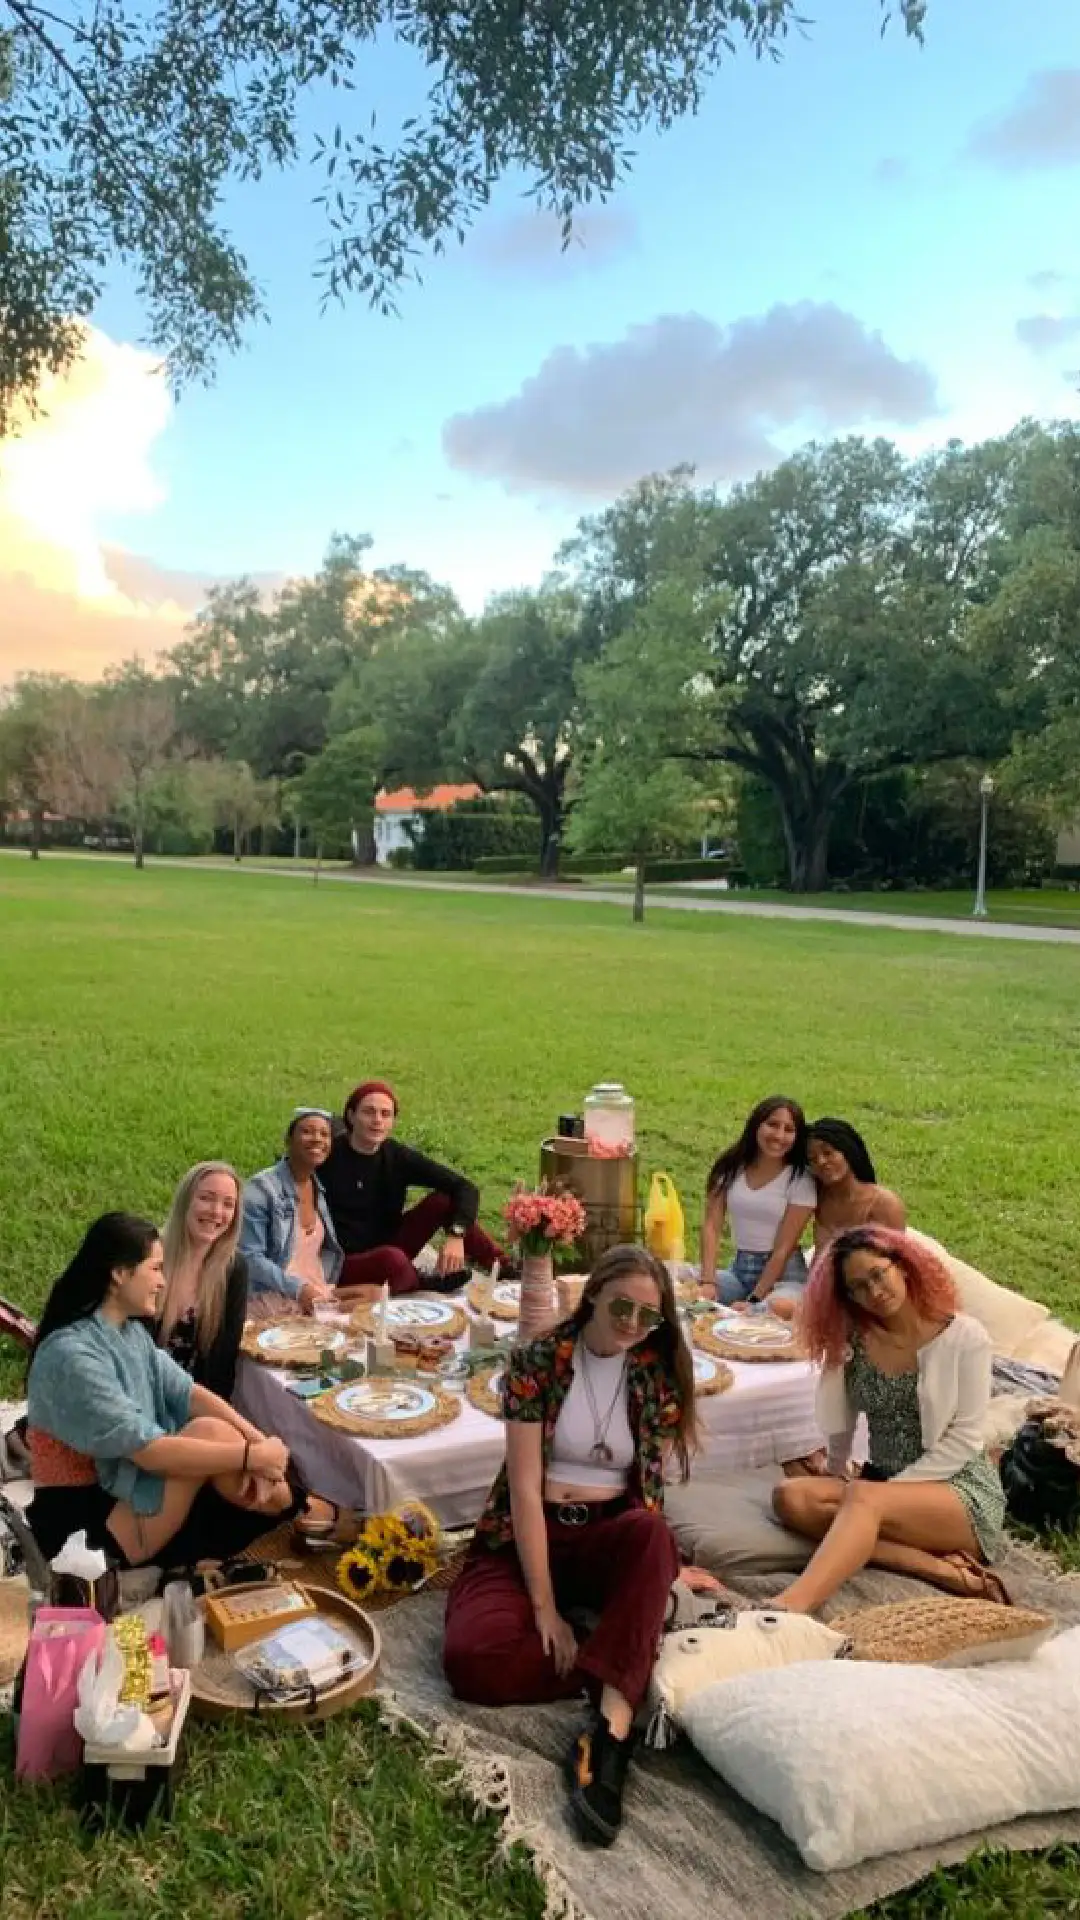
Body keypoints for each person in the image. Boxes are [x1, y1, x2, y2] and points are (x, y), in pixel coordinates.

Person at [443, 1245, 696, 1848]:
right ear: (593, 1298)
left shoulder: (656, 1370)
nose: (633, 1325)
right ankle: (623, 1664)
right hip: (527, 1534)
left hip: (610, 1532)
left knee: (653, 1536)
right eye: (621, 1307)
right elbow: (525, 1491)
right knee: (470, 1660)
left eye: (648, 1316)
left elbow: (649, 1493)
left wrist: (662, 1572)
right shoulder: (538, 1359)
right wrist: (545, 1610)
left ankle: (609, 1735)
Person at [26, 1213, 295, 1567]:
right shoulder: (72, 1355)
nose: (162, 1281)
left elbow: (188, 1392)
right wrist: (252, 1457)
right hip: (85, 1525)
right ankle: (294, 1514)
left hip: (125, 1488)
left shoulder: (129, 1332)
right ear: (119, 1274)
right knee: (212, 1437)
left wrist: (258, 1442)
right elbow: (148, 1452)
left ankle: (290, 1511)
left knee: (216, 1435)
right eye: (154, 1269)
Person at [772, 1225, 1008, 1612]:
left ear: (902, 1265)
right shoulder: (852, 1339)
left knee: (862, 1499)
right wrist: (835, 1469)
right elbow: (841, 1415)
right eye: (858, 1287)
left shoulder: (965, 1337)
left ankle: (792, 1605)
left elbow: (966, 1438)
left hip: (958, 1489)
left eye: (878, 1275)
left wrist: (887, 1491)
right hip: (879, 1482)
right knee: (791, 1497)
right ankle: (942, 1571)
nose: (875, 1292)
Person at [321, 1080, 505, 1300]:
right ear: (351, 1116)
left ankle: (502, 1266)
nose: (377, 1120)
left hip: (390, 1241)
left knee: (442, 1201)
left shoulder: (396, 1155)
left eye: (385, 1114)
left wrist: (457, 1234)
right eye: (368, 1112)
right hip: (345, 1260)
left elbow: (464, 1187)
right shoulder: (328, 1155)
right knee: (393, 1260)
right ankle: (420, 1281)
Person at [700, 1096, 816, 1308]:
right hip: (739, 1270)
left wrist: (754, 1301)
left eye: (789, 1129)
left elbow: (784, 1248)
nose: (779, 1135)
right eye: (772, 1125)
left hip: (784, 1277)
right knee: (677, 1284)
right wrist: (708, 1282)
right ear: (756, 1125)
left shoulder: (801, 1180)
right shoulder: (730, 1167)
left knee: (771, 1310)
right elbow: (711, 1227)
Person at [158, 1161, 250, 1402]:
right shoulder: (149, 1256)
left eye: (228, 1204)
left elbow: (224, 1360)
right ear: (185, 1201)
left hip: (196, 1402)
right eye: (207, 1198)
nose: (216, 1212)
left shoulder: (233, 1268)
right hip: (138, 1397)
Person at [240, 1108, 342, 1312]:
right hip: (277, 1295)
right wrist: (301, 1290)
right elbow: (249, 1258)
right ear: (288, 1140)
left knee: (373, 1295)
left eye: (324, 1134)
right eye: (307, 1131)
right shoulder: (261, 1189)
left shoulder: (317, 1187)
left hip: (316, 1288)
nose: (317, 1139)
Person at [808, 1117, 906, 1250]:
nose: (821, 1162)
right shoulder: (817, 1198)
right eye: (813, 1159)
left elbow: (896, 1259)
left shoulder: (883, 1203)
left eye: (828, 1153)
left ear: (848, 1151)